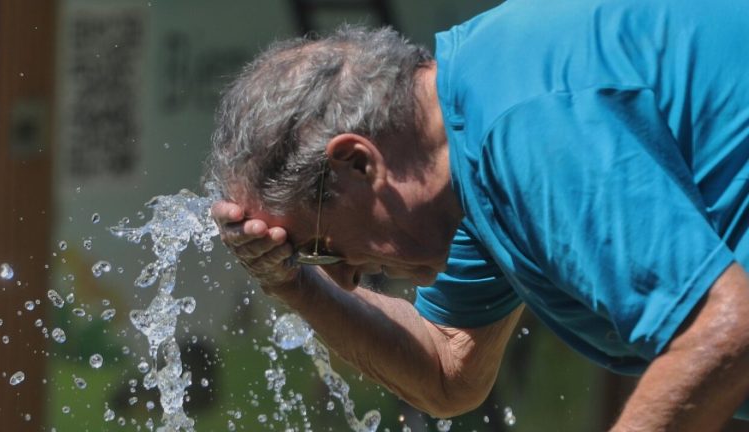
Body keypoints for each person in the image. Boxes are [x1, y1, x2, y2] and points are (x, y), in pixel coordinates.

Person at [207, 0, 749, 429]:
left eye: (319, 249)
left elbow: (724, 330)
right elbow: (447, 372)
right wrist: (294, 283)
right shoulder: (468, 143)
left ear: (356, 163)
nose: (345, 277)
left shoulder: (527, 125)